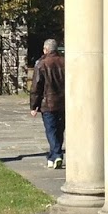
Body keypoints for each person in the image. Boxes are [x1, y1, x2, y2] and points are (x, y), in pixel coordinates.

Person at [29, 38, 66, 169]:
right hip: (63, 102)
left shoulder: (42, 64)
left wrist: (34, 106)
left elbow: (36, 87)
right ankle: (52, 156)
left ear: (46, 49)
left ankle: (56, 155)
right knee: (59, 130)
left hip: (48, 103)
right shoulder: (65, 62)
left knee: (51, 130)